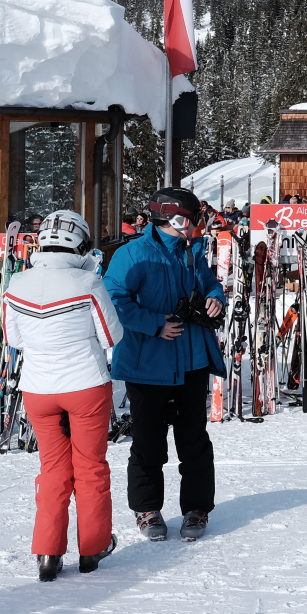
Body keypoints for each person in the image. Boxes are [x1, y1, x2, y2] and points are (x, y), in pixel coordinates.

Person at [2, 209, 123, 581]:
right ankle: (93, 548)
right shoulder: (87, 282)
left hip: (38, 389)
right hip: (85, 385)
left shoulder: (16, 283)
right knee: (90, 468)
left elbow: (13, 340)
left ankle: (47, 554)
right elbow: (111, 336)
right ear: (81, 243)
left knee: (52, 470)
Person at [104, 188, 226, 543]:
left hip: (192, 361)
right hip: (147, 364)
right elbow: (114, 300)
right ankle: (146, 508)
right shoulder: (132, 254)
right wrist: (155, 324)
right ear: (173, 219)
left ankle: (197, 507)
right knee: (148, 442)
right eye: (190, 219)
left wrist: (215, 299)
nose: (194, 226)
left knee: (194, 441)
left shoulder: (190, 254)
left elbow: (209, 284)